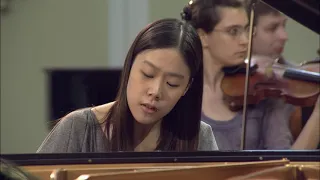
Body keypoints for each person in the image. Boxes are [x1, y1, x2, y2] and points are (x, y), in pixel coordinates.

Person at [37, 18, 218, 153]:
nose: (155, 92)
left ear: (186, 88)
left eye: (172, 83)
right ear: (129, 66)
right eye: (147, 74)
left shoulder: (199, 137)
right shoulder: (78, 128)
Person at [181, 0, 319, 150]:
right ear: (202, 36)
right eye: (233, 31)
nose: (245, 41)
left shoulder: (263, 92)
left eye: (247, 30)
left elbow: (286, 163)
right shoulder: (182, 91)